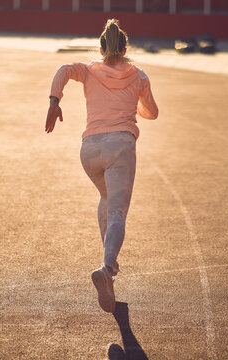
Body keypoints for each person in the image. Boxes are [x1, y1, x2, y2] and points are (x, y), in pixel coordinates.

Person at [45, 19, 158, 313]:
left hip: (90, 149)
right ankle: (107, 270)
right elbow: (152, 112)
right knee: (118, 211)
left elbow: (63, 70)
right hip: (120, 146)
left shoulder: (90, 70)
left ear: (101, 47)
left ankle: (109, 257)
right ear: (125, 48)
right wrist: (134, 103)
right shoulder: (139, 76)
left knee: (106, 198)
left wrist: (54, 101)